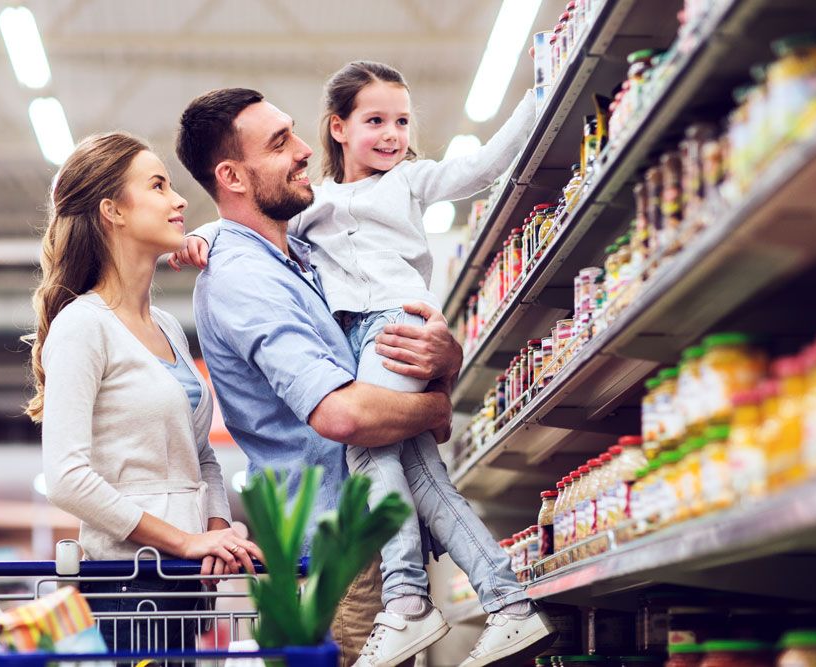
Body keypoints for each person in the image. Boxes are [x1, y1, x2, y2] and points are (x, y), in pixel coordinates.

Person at [175, 62, 554, 667]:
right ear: (231, 175)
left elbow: (479, 167)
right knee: (413, 474)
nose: (302, 151)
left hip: (365, 506)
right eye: (280, 142)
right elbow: (346, 418)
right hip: (341, 542)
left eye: (401, 120)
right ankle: (480, 603)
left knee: (428, 482)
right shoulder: (251, 266)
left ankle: (463, 603)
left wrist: (446, 360)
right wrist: (433, 403)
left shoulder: (302, 249)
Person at [24, 131, 262, 655]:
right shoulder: (83, 326)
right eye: (157, 186)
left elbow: (201, 457)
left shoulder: (167, 327)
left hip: (186, 583)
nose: (178, 200)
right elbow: (66, 478)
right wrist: (184, 541)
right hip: (127, 587)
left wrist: (216, 533)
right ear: (113, 211)